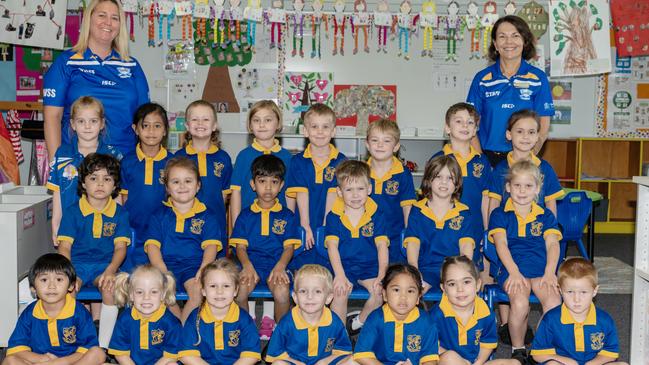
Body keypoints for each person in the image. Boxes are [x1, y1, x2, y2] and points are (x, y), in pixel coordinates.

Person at [43, 0, 149, 158]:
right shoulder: (66, 62)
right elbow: (52, 117)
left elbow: (145, 120)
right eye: (102, 15)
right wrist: (57, 166)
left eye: (115, 18)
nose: (108, 22)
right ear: (89, 19)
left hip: (125, 162)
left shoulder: (131, 65)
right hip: (78, 162)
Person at [488, 160, 562, 364]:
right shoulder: (499, 214)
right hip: (511, 270)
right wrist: (513, 272)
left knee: (554, 303)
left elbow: (553, 246)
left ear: (537, 189)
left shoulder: (546, 216)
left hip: (540, 270)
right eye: (517, 185)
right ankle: (518, 348)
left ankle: (539, 347)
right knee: (520, 303)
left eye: (528, 186)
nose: (522, 191)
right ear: (508, 187)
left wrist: (549, 272)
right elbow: (501, 245)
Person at [56, 153, 130, 349]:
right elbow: (64, 247)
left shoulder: (120, 213)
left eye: (107, 179)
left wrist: (110, 271)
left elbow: (121, 248)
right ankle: (70, 345)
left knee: (110, 288)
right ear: (83, 183)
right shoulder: (72, 212)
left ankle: (104, 347)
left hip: (104, 267)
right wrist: (69, 274)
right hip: (76, 266)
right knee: (66, 290)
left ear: (115, 186)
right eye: (93, 178)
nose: (100, 184)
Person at [466, 15, 554, 166]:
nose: (509, 42)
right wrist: (480, 160)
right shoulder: (482, 79)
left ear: (524, 41)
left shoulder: (538, 78)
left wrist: (527, 159)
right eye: (502, 36)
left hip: (523, 158)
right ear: (495, 43)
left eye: (515, 36)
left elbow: (544, 127)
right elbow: (470, 124)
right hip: (487, 157)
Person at [144, 157, 223, 322]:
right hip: (166, 266)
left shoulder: (207, 216)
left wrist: (203, 270)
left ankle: (182, 331)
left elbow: (211, 247)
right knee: (162, 291)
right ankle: (180, 329)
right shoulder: (158, 215)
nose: (182, 186)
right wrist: (163, 271)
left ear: (198, 185)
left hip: (194, 267)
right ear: (167, 187)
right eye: (175, 181)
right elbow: (152, 246)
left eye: (188, 181)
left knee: (198, 291)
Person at [231, 155, 301, 340]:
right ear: (253, 184)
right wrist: (246, 266)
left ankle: (281, 332)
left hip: (277, 264)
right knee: (239, 291)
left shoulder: (288, 215)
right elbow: (240, 248)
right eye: (262, 181)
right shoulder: (245, 216)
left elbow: (289, 248)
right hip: (251, 265)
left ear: (281, 185)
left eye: (274, 182)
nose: (268, 187)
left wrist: (280, 267)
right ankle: (246, 328)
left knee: (282, 293)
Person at [46, 96, 122, 246]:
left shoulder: (113, 155)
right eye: (81, 121)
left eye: (93, 121)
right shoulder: (62, 154)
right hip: (71, 229)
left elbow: (117, 195)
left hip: (103, 229)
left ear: (102, 123)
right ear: (73, 124)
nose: (87, 126)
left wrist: (118, 227)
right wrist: (55, 225)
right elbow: (57, 195)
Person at [3, 253, 105, 365]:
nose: (52, 285)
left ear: (71, 286)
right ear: (33, 288)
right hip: (42, 361)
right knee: (10, 360)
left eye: (59, 279)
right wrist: (43, 359)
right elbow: (16, 349)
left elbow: (87, 347)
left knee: (98, 353)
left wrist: (60, 362)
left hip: (72, 362)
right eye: (44, 280)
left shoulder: (79, 312)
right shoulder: (29, 314)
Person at [325, 160, 388, 332]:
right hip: (342, 267)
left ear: (369, 189)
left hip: (369, 268)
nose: (355, 195)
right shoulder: (333, 216)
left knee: (379, 292)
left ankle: (357, 323)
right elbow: (332, 247)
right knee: (339, 292)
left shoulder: (377, 214)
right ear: (339, 192)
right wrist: (339, 275)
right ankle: (338, 337)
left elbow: (382, 247)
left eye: (360, 189)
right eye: (349, 190)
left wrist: (381, 275)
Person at [531, 258, 627, 365]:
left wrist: (592, 363)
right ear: (560, 290)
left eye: (583, 292)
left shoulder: (605, 320)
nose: (576, 299)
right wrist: (567, 361)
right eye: (570, 292)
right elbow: (538, 354)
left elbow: (610, 353)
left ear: (595, 291)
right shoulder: (550, 319)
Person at [285, 103, 347, 268]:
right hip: (303, 222)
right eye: (314, 126)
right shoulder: (298, 161)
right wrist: (303, 225)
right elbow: (299, 193)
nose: (320, 131)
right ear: (305, 131)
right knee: (301, 272)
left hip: (330, 223)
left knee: (326, 273)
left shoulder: (341, 161)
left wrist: (326, 226)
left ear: (333, 131)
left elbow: (334, 194)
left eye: (325, 127)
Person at [404, 155, 476, 293]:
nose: (444, 182)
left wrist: (463, 273)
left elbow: (466, 246)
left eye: (450, 178)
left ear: (457, 183)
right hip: (425, 269)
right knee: (414, 292)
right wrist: (414, 270)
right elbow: (413, 243)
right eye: (438, 177)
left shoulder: (464, 212)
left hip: (454, 270)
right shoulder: (417, 210)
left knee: (460, 293)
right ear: (429, 180)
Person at [431, 256, 517, 365]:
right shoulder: (436, 314)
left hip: (473, 362)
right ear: (444, 289)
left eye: (466, 282)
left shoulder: (485, 313)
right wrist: (461, 362)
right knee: (450, 357)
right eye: (452, 284)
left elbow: (487, 343)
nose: (460, 289)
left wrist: (479, 361)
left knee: (514, 363)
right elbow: (431, 345)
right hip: (446, 361)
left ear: (477, 285)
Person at [265, 264, 353, 365]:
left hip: (325, 363)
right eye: (303, 291)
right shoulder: (286, 323)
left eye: (317, 291)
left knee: (353, 360)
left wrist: (323, 362)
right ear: (295, 297)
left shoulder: (334, 321)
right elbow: (275, 355)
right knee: (278, 364)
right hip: (295, 363)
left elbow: (343, 351)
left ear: (328, 298)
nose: (310, 296)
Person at [353, 263, 439, 365]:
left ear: (418, 297)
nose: (403, 297)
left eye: (410, 291)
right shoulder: (376, 318)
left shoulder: (426, 322)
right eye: (396, 290)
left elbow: (430, 359)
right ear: (384, 294)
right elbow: (362, 354)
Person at [179, 259, 261, 365]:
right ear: (203, 290)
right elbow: (186, 355)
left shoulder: (244, 319)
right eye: (213, 286)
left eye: (226, 286)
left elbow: (251, 355)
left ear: (235, 290)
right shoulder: (195, 318)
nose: (219, 291)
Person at [119, 103, 172, 266]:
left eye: (157, 126)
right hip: (134, 230)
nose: (151, 131)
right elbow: (122, 197)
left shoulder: (172, 162)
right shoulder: (127, 161)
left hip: (163, 230)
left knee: (162, 278)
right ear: (136, 129)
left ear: (164, 130)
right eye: (145, 126)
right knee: (132, 279)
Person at [174, 100, 232, 245]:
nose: (200, 123)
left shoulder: (223, 158)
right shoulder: (178, 158)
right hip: (185, 225)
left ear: (214, 126)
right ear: (187, 126)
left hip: (216, 224)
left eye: (206, 119)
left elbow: (225, 196)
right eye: (195, 119)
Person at [488, 110, 564, 216]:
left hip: (537, 230)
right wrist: (491, 230)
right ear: (509, 134)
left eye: (531, 132)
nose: (525, 136)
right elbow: (494, 203)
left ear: (538, 136)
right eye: (520, 131)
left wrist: (552, 230)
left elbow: (551, 204)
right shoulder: (500, 169)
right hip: (507, 230)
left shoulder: (545, 168)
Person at [230, 100, 292, 227]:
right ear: (250, 126)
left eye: (268, 120)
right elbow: (236, 193)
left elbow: (290, 193)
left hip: (279, 224)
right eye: (256, 120)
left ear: (278, 124)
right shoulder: (243, 156)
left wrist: (292, 223)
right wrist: (237, 227)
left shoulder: (287, 157)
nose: (262, 125)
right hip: (249, 223)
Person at [109, 265, 181, 365]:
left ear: (163, 294)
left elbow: (170, 356)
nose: (146, 297)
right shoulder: (125, 319)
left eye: (154, 292)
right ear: (131, 295)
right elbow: (120, 353)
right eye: (139, 292)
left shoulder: (171, 322)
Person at [366, 119, 416, 263]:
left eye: (386, 141)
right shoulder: (360, 172)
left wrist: (408, 235)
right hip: (367, 238)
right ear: (367, 145)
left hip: (394, 239)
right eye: (375, 140)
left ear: (396, 147)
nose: (380, 145)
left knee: (394, 280)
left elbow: (407, 207)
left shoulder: (403, 173)